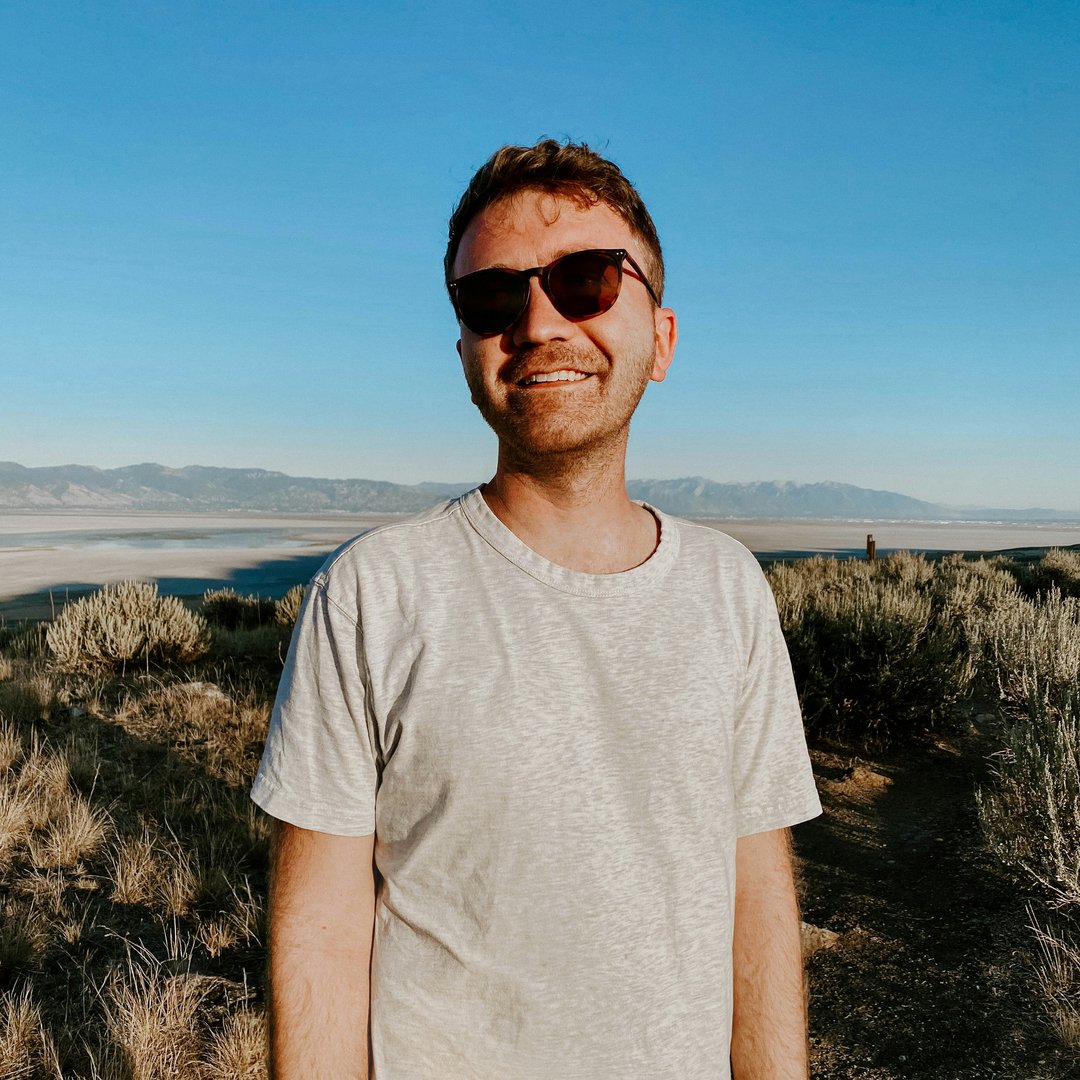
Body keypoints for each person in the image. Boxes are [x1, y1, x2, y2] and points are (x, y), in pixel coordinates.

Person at [251, 139, 822, 1079]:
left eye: (585, 280)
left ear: (662, 339)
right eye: (491, 299)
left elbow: (756, 896)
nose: (538, 323)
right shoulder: (371, 592)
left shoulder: (728, 588)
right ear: (466, 351)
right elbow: (320, 932)